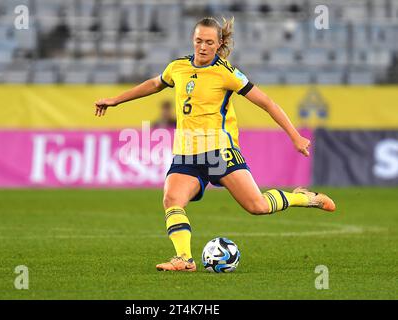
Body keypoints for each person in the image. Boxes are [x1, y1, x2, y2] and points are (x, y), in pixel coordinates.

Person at [94, 17, 336, 272]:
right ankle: (184, 259)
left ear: (219, 43)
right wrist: (116, 100)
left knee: (258, 206)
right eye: (199, 41)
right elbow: (155, 84)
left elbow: (266, 102)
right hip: (186, 152)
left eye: (209, 42)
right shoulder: (177, 67)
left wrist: (295, 136)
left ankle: (302, 198)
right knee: (171, 199)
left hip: (219, 151)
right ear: (193, 40)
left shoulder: (226, 73)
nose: (203, 47)